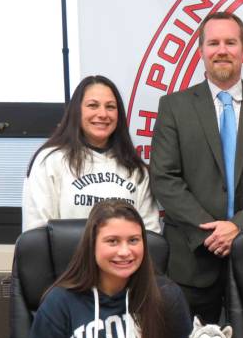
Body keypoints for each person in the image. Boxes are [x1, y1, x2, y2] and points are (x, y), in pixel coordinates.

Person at [150, 12, 243, 324]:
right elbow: (164, 178)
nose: (222, 50)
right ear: (201, 51)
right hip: (191, 258)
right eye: (213, 42)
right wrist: (210, 231)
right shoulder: (173, 107)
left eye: (230, 42)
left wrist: (237, 227)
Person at [27, 200, 192, 338]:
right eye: (112, 241)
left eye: (133, 240)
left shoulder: (166, 295)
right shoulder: (59, 303)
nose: (124, 251)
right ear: (92, 244)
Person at [23, 75, 160, 233]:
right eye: (93, 105)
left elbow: (150, 234)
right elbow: (36, 234)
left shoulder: (136, 170)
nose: (103, 114)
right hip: (67, 258)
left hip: (124, 257)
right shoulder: (50, 161)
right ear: (77, 111)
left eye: (110, 107)